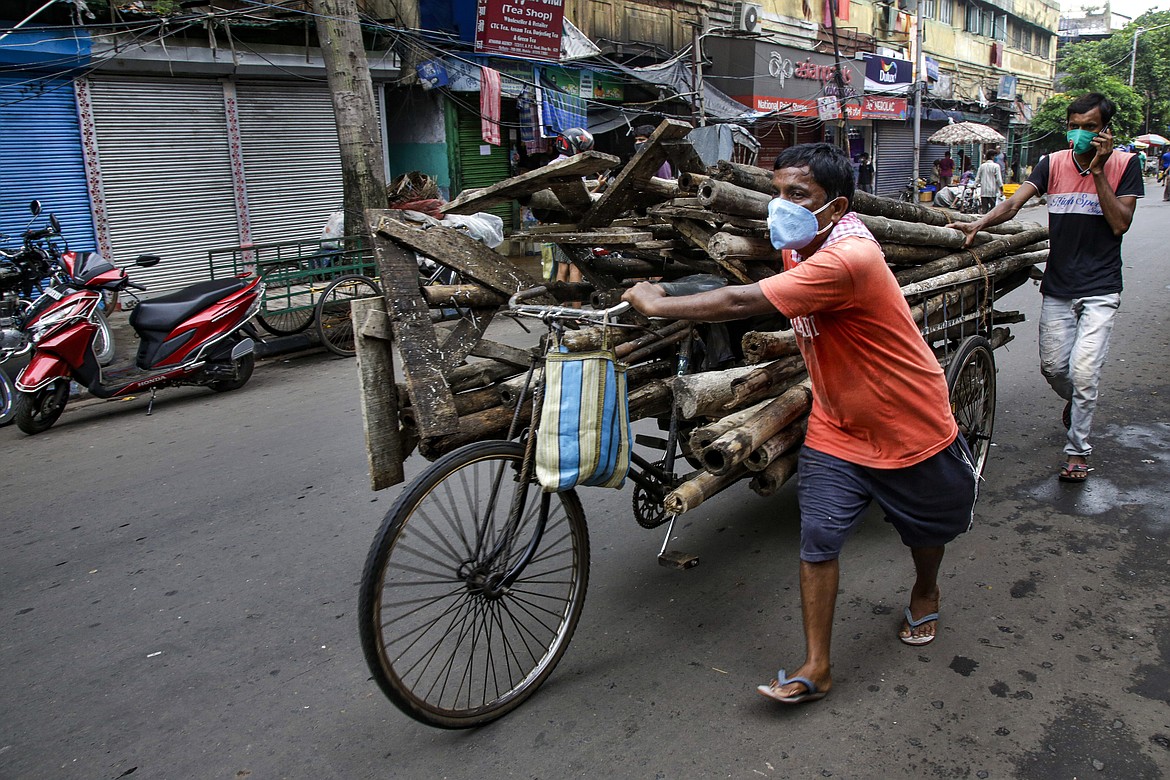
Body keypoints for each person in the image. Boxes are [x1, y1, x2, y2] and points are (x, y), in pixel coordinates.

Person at [622, 143, 977, 705]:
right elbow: (744, 286)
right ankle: (816, 666)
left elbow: (743, 301)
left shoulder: (849, 257)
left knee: (927, 530)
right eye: (777, 191)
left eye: (797, 195)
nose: (779, 205)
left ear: (834, 208)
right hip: (836, 423)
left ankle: (926, 590)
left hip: (906, 420)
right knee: (819, 538)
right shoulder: (800, 247)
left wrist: (656, 304)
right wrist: (672, 285)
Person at [947, 93, 1142, 483]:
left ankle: (1077, 450)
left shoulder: (1125, 164)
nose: (1081, 134)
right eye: (1076, 125)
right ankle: (1077, 401)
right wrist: (978, 224)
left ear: (1106, 130)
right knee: (1054, 367)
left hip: (1101, 287)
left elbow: (1120, 223)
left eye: (1090, 127)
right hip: (1059, 285)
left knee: (1085, 372)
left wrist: (1100, 170)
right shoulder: (1052, 163)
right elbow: (1015, 203)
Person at [548, 128, 596, 287]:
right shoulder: (577, 165)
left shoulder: (552, 164)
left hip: (559, 223)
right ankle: (577, 310)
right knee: (576, 268)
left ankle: (560, 308)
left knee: (562, 267)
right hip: (576, 221)